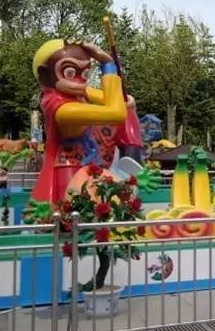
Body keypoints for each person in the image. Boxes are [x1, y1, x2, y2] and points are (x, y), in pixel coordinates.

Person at [30, 39, 136, 206]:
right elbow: (116, 113)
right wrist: (107, 64)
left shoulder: (77, 93)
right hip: (67, 167)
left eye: (85, 73)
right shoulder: (61, 108)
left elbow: (118, 102)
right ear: (45, 74)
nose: (80, 81)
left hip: (88, 161)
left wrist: (125, 101)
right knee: (73, 209)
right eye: (70, 72)